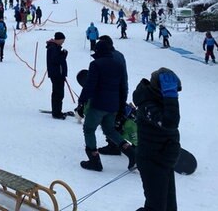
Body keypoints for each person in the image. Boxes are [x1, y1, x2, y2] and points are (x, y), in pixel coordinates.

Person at [76, 40, 135, 172]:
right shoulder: (119, 65)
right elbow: (123, 86)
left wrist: (82, 101)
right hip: (113, 105)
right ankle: (131, 153)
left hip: (98, 104)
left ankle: (94, 161)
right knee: (110, 130)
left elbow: (90, 85)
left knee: (89, 129)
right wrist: (120, 104)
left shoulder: (95, 64)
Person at [133, 68, 182, 211]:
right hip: (152, 162)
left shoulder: (160, 100)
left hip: (165, 160)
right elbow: (170, 123)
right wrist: (170, 97)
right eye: (172, 92)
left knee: (169, 207)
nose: (175, 95)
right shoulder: (147, 104)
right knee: (156, 208)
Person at [46, 32, 68, 120]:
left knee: (58, 93)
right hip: (57, 74)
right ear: (58, 40)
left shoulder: (55, 47)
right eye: (62, 40)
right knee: (58, 93)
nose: (63, 42)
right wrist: (64, 55)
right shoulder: (53, 48)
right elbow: (56, 60)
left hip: (58, 74)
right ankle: (56, 112)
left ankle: (57, 110)